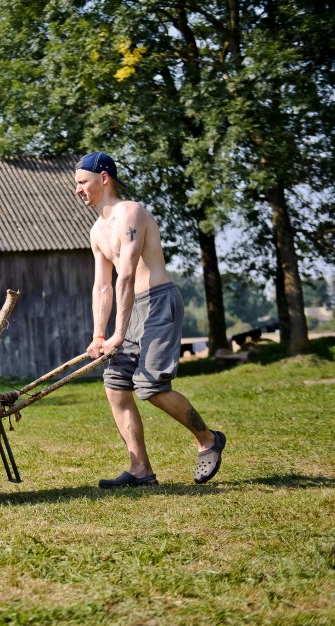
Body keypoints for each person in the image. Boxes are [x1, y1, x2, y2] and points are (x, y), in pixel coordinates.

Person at [73, 151, 226, 488]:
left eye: (82, 182)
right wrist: (99, 334)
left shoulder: (131, 213)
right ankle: (140, 469)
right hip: (131, 309)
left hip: (157, 303)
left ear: (104, 178)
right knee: (116, 387)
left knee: (150, 386)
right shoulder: (97, 231)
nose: (78, 190)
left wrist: (118, 333)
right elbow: (103, 286)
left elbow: (125, 277)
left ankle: (208, 439)